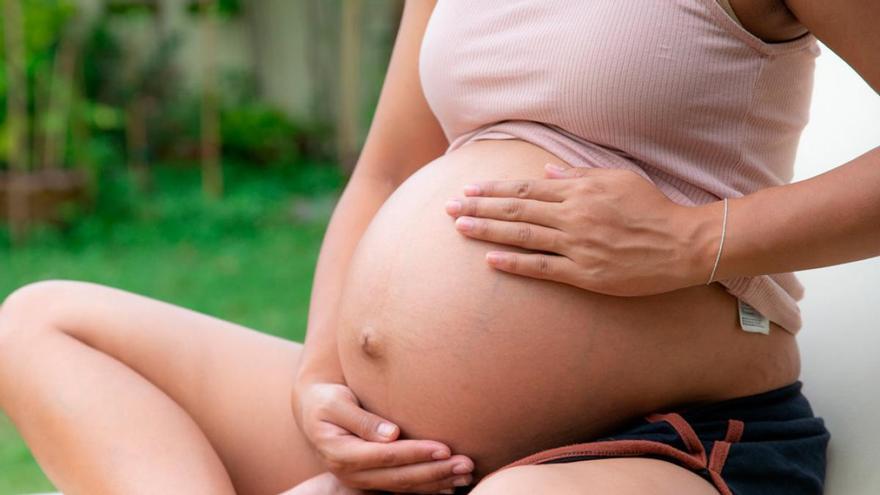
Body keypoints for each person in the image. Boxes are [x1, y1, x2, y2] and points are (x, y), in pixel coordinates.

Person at [0, 1, 877, 494]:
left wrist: (694, 239)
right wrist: (319, 380)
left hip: (659, 443)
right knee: (42, 325)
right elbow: (385, 172)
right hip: (401, 443)